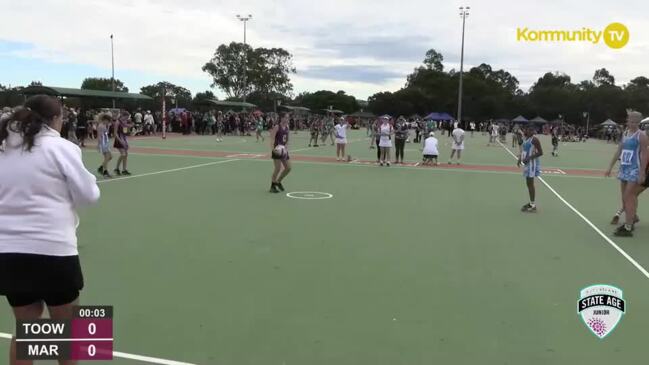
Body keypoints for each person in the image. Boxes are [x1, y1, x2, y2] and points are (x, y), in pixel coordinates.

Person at [0, 95, 100, 365]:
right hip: (53, 249)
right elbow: (89, 195)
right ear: (54, 119)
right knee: (66, 330)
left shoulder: (3, 146)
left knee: (25, 330)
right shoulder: (60, 147)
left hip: (9, 253)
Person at [606, 111, 648, 236]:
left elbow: (645, 155)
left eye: (636, 122)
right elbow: (619, 150)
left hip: (634, 169)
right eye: (631, 121)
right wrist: (610, 167)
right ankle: (632, 218)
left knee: (629, 196)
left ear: (639, 122)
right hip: (624, 168)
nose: (633, 124)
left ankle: (628, 226)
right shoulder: (625, 133)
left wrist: (642, 173)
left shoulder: (641, 136)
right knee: (625, 198)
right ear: (627, 121)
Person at [518, 126, 544, 212]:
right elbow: (524, 150)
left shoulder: (534, 139)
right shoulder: (527, 138)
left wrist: (529, 158)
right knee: (528, 184)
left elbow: (540, 152)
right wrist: (520, 158)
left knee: (530, 183)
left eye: (532, 130)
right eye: (529, 129)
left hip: (532, 164)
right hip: (527, 164)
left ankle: (533, 205)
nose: (531, 131)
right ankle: (531, 203)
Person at [269, 114, 292, 193]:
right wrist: (273, 149)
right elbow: (272, 138)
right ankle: (272, 186)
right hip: (277, 149)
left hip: (283, 149)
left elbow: (288, 139)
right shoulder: (277, 127)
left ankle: (278, 182)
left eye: (287, 117)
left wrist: (286, 146)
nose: (287, 119)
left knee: (288, 168)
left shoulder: (287, 127)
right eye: (285, 117)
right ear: (281, 118)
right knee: (277, 168)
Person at [113, 110, 133, 176]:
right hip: (118, 139)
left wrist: (129, 129)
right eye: (126, 117)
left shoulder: (124, 122)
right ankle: (116, 168)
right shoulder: (117, 122)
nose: (127, 119)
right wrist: (120, 140)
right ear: (123, 116)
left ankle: (124, 170)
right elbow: (115, 133)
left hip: (124, 139)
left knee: (126, 154)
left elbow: (125, 131)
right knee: (123, 154)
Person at [96, 113, 113, 178]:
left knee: (110, 157)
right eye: (108, 121)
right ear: (104, 120)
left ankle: (101, 167)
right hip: (103, 143)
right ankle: (105, 172)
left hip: (106, 142)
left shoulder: (104, 125)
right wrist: (99, 144)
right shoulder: (100, 126)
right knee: (107, 157)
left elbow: (106, 133)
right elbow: (99, 136)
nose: (108, 122)